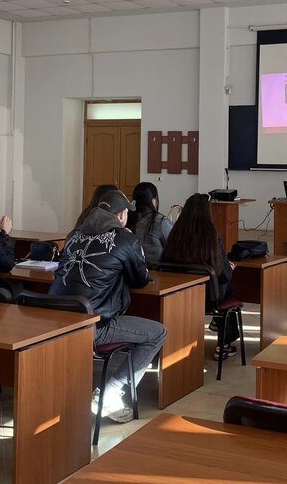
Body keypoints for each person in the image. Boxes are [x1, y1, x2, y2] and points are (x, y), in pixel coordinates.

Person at [49, 189, 166, 424]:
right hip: (93, 324)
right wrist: (133, 246)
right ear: (122, 215)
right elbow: (140, 279)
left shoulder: (74, 235)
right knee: (157, 332)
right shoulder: (126, 239)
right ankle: (110, 394)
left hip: (57, 320)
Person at [160, 193, 239, 361]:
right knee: (228, 286)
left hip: (177, 295)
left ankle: (218, 324)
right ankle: (224, 345)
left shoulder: (175, 235)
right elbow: (224, 274)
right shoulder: (212, 237)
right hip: (208, 299)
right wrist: (229, 268)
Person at [126, 181, 173, 264]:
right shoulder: (161, 221)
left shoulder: (126, 219)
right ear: (154, 200)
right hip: (156, 269)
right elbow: (173, 247)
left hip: (130, 269)